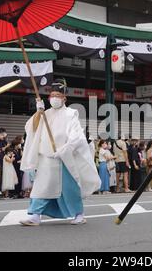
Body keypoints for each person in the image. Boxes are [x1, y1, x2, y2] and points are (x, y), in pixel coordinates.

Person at [19, 78, 101, 226]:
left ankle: (79, 214)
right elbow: (32, 128)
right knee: (41, 186)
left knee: (69, 188)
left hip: (63, 157)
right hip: (46, 157)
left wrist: (65, 149)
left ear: (64, 98)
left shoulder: (71, 113)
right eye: (52, 95)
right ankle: (35, 215)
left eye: (58, 95)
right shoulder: (45, 113)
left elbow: (76, 135)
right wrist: (38, 112)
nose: (55, 98)